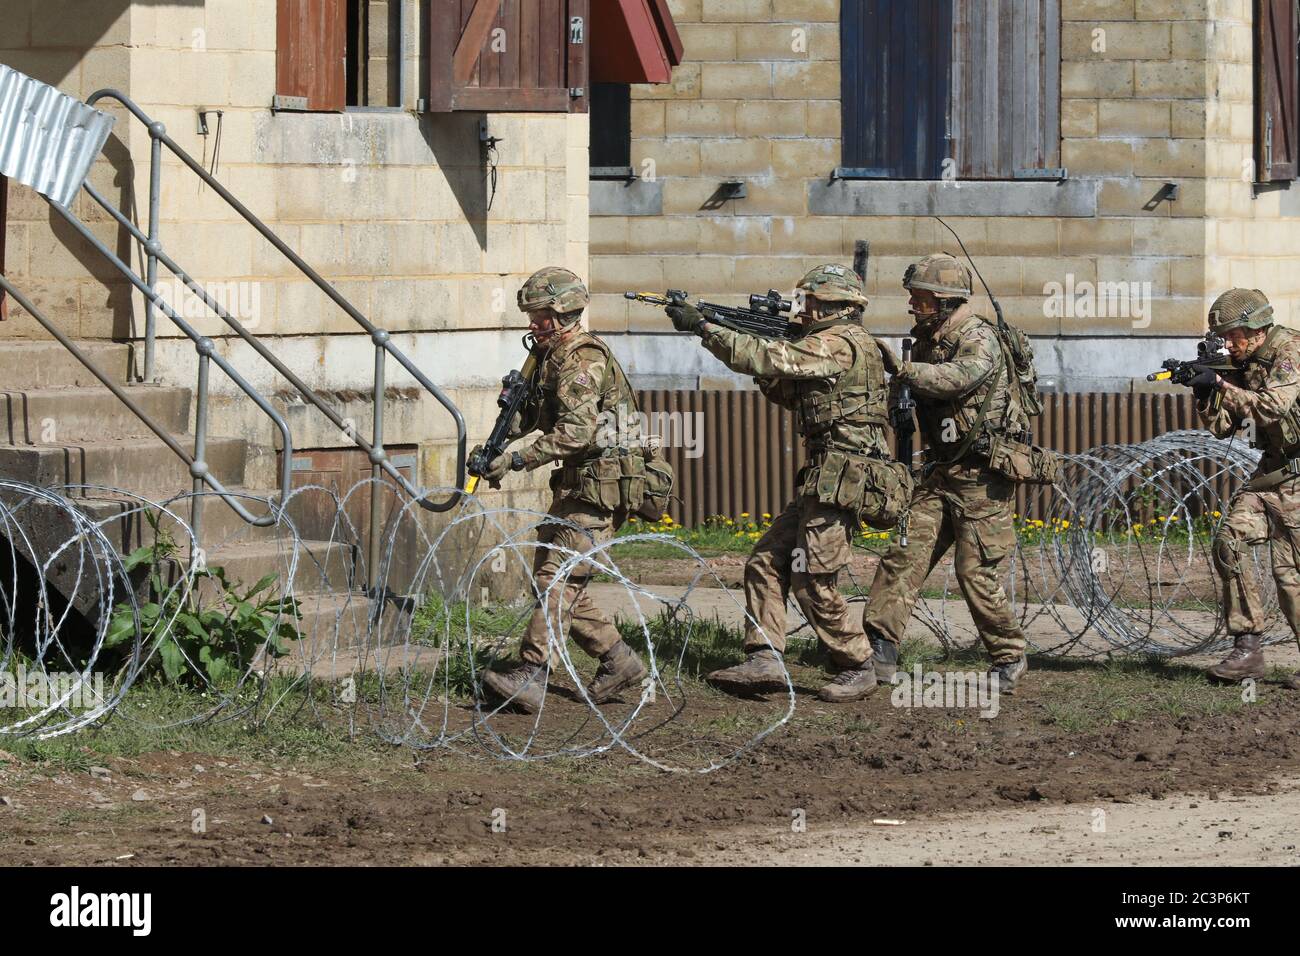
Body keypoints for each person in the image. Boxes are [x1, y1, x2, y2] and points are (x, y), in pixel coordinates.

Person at [667, 263, 898, 702]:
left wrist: (706, 328)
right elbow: (787, 388)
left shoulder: (840, 342)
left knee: (812, 578)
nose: (802, 308)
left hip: (844, 479)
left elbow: (768, 357)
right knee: (766, 563)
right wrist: (756, 352)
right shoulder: (829, 344)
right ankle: (764, 657)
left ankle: (858, 663)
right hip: (824, 478)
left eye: (809, 300)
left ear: (831, 304)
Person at [475, 267, 648, 712]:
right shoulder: (549, 357)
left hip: (601, 485)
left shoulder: (581, 360)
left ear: (565, 313)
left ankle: (532, 673)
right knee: (556, 582)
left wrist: (516, 460)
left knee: (558, 580)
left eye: (540, 316)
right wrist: (497, 444)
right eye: (531, 316)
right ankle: (619, 659)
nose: (533, 324)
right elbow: (531, 414)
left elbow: (576, 432)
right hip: (577, 483)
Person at [861, 254, 1032, 693]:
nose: (912, 307)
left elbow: (959, 378)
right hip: (940, 472)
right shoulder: (927, 340)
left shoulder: (977, 336)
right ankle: (880, 648)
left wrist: (905, 370)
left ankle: (1009, 655)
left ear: (943, 300)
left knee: (974, 570)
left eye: (919, 299)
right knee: (904, 554)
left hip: (981, 476)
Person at [1194, 288, 1300, 688]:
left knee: (1289, 573)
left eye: (1232, 335)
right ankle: (1248, 648)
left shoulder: (1289, 351)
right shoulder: (1244, 361)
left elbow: (1270, 408)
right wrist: (1204, 390)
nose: (1228, 344)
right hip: (1273, 473)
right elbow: (1222, 428)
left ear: (1255, 328)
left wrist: (1221, 385)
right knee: (1229, 541)